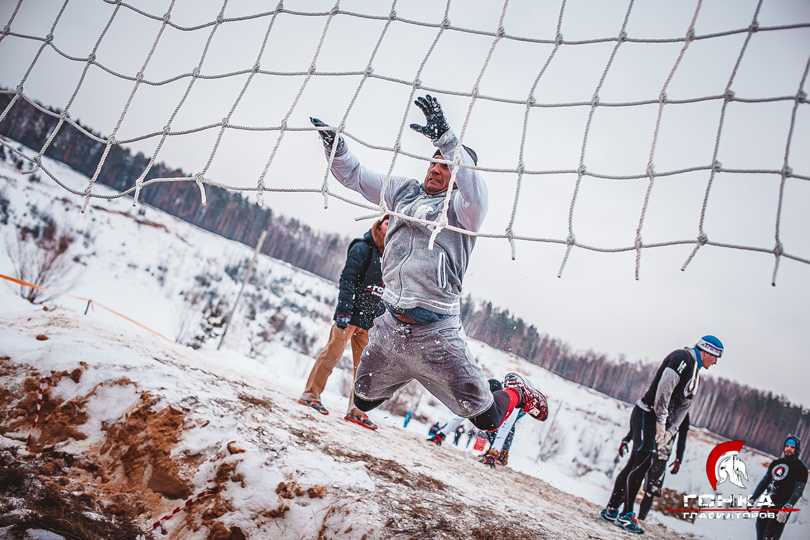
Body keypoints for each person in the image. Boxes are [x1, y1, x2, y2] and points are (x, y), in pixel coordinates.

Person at [310, 94, 548, 437]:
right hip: (392, 326)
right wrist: (337, 150)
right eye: (434, 162)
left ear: (459, 174)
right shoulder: (401, 192)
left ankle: (514, 392)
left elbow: (475, 188)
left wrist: (447, 140)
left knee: (488, 421)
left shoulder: (465, 210)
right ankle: (412, 371)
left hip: (436, 332)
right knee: (362, 401)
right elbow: (356, 177)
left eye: (446, 165)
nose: (436, 169)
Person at [601, 335, 724, 534]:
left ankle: (612, 509)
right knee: (642, 463)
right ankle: (625, 515)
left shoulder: (695, 372)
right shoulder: (682, 358)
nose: (716, 362)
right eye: (716, 357)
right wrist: (660, 420)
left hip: (656, 419)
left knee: (636, 463)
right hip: (646, 413)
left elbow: (685, 406)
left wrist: (670, 430)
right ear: (707, 351)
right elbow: (663, 391)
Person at [298, 216, 389, 430]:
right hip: (350, 316)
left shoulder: (393, 257)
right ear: (379, 225)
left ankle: (357, 411)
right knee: (332, 355)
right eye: (387, 223)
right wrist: (344, 311)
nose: (389, 228)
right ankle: (311, 395)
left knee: (365, 370)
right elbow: (348, 280)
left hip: (371, 321)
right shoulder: (363, 247)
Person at [618, 413, 690, 520]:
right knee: (634, 481)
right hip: (647, 447)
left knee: (651, 490)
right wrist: (627, 438)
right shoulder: (661, 404)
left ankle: (640, 519)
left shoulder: (682, 413)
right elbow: (642, 423)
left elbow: (682, 438)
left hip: (661, 455)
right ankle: (616, 509)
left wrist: (679, 458)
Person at [751, 435, 807, 540]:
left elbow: (798, 491)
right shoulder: (777, 463)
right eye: (787, 446)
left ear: (797, 449)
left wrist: (787, 507)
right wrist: (753, 497)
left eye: (792, 447)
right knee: (760, 533)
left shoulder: (801, 469)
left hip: (781, 508)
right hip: (767, 504)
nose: (789, 449)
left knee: (771, 536)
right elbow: (765, 482)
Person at [428, 380, 504, 446]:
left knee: (494, 427)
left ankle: (495, 451)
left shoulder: (498, 404)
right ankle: (494, 451)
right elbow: (459, 418)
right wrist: (442, 433)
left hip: (495, 417)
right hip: (487, 414)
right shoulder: (479, 400)